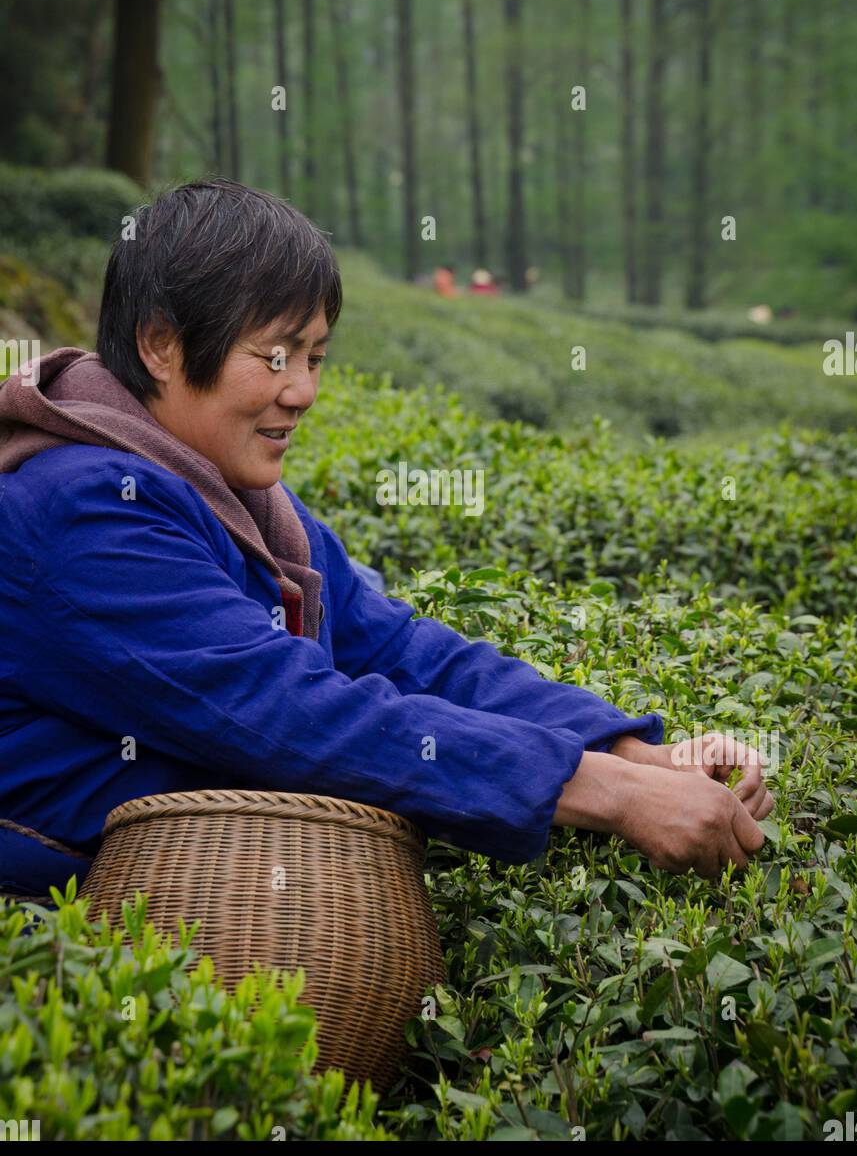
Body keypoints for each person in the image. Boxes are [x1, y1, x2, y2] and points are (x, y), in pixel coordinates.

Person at [0, 180, 771, 897]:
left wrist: (631, 753)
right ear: (161, 345)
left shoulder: (229, 493)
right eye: (274, 355)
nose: (302, 391)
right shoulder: (81, 508)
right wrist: (612, 795)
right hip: (69, 919)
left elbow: (395, 648)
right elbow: (288, 711)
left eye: (315, 357)